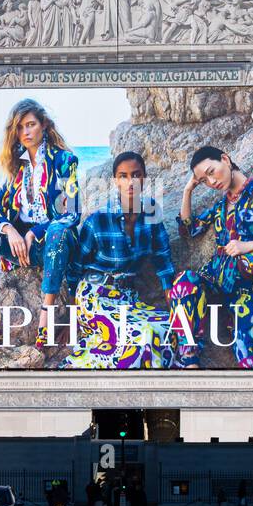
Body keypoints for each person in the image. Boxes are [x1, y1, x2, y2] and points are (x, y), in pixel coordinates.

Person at [169, 146, 253, 368]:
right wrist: (188, 190)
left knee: (249, 355)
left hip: (251, 285)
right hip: (216, 276)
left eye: (211, 171)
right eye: (204, 180)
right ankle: (190, 364)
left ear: (225, 159)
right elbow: (188, 230)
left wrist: (248, 246)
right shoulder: (220, 206)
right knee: (184, 283)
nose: (211, 182)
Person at [0, 98, 80, 354]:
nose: (25, 132)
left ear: (44, 125)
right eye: (19, 127)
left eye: (30, 125)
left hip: (53, 244)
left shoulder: (65, 161)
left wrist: (35, 233)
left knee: (59, 231)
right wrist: (9, 230)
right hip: (20, 249)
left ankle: (45, 318)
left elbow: (71, 214)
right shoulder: (17, 165)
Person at [61, 151, 180, 369]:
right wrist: (72, 318)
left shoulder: (152, 213)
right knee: (142, 337)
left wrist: (172, 303)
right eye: (123, 176)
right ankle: (80, 368)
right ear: (116, 180)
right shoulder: (98, 219)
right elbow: (75, 269)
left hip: (127, 298)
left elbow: (163, 262)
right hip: (95, 296)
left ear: (144, 177)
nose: (130, 182)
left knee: (168, 328)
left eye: (136, 175)